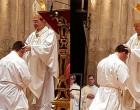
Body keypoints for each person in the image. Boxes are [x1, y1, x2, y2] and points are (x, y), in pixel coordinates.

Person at [23, 1, 59, 109]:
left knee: (44, 98)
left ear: (43, 20)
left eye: (36, 21)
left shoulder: (50, 33)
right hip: (32, 69)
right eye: (33, 21)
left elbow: (47, 50)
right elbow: (26, 46)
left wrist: (32, 48)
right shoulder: (32, 35)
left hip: (44, 70)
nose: (34, 24)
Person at [89, 44, 129, 110]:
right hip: (113, 94)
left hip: (100, 93)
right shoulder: (120, 64)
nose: (126, 58)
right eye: (127, 56)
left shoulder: (102, 62)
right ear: (124, 53)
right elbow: (123, 82)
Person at [0, 41, 31, 110]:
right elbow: (27, 78)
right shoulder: (19, 61)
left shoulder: (2, 60)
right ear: (21, 50)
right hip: (13, 92)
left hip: (1, 91)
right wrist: (22, 85)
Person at [123, 7, 140, 110]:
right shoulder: (134, 37)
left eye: (137, 26)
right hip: (132, 72)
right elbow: (128, 46)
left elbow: (132, 50)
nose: (135, 29)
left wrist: (132, 51)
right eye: (134, 26)